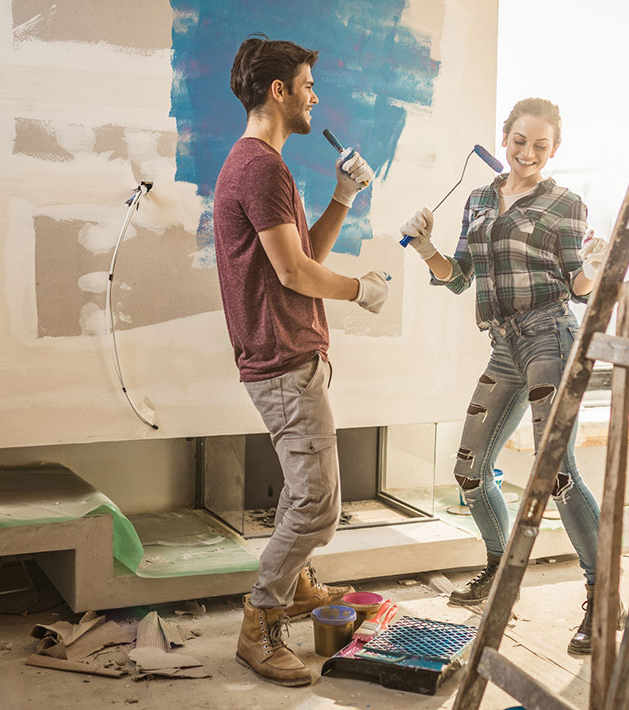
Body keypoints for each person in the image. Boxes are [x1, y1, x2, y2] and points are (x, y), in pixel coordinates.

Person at [399, 97, 615, 655]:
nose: (527, 153)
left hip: (549, 337)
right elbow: (458, 276)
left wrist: (593, 266)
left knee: (554, 472)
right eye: (520, 141)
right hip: (503, 345)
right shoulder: (478, 201)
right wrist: (424, 247)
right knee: (469, 470)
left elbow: (579, 287)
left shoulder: (566, 204)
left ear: (554, 149)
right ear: (505, 137)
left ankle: (603, 596)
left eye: (540, 146)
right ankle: (500, 570)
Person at [213, 35, 387, 687]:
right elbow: (294, 273)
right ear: (279, 91)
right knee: (317, 504)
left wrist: (343, 196)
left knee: (302, 488)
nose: (317, 97)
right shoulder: (260, 166)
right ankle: (260, 623)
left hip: (288, 354)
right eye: (308, 85)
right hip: (283, 358)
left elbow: (298, 252)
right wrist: (360, 290)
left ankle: (300, 581)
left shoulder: (262, 165)